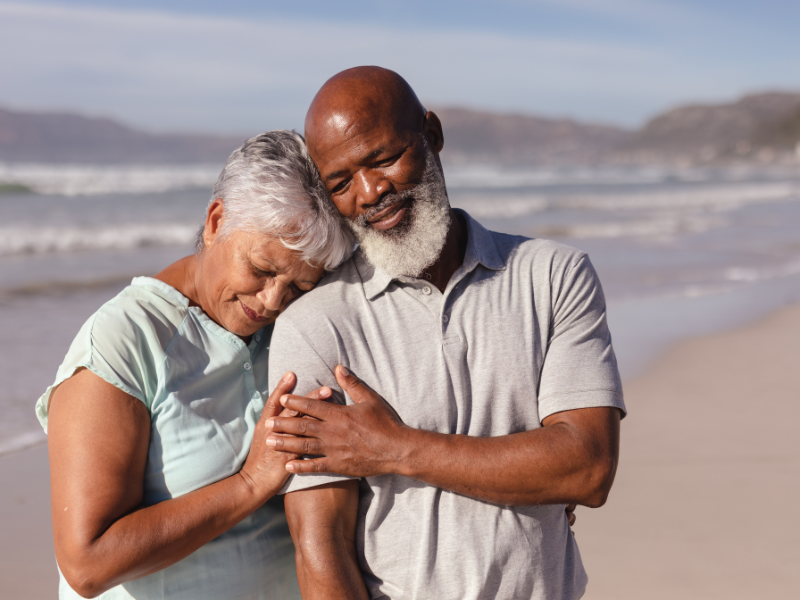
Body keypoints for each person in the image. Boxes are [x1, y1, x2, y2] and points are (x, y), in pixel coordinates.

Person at [265, 67, 627, 600]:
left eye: (383, 158)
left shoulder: (552, 275)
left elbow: (588, 467)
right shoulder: (315, 327)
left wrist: (393, 448)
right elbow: (321, 548)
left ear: (431, 134)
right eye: (340, 183)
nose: (370, 193)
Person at [34, 131, 354, 599]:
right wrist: (250, 483)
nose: (271, 301)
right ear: (216, 220)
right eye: (262, 269)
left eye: (299, 287)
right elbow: (88, 563)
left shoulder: (288, 329)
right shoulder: (125, 339)